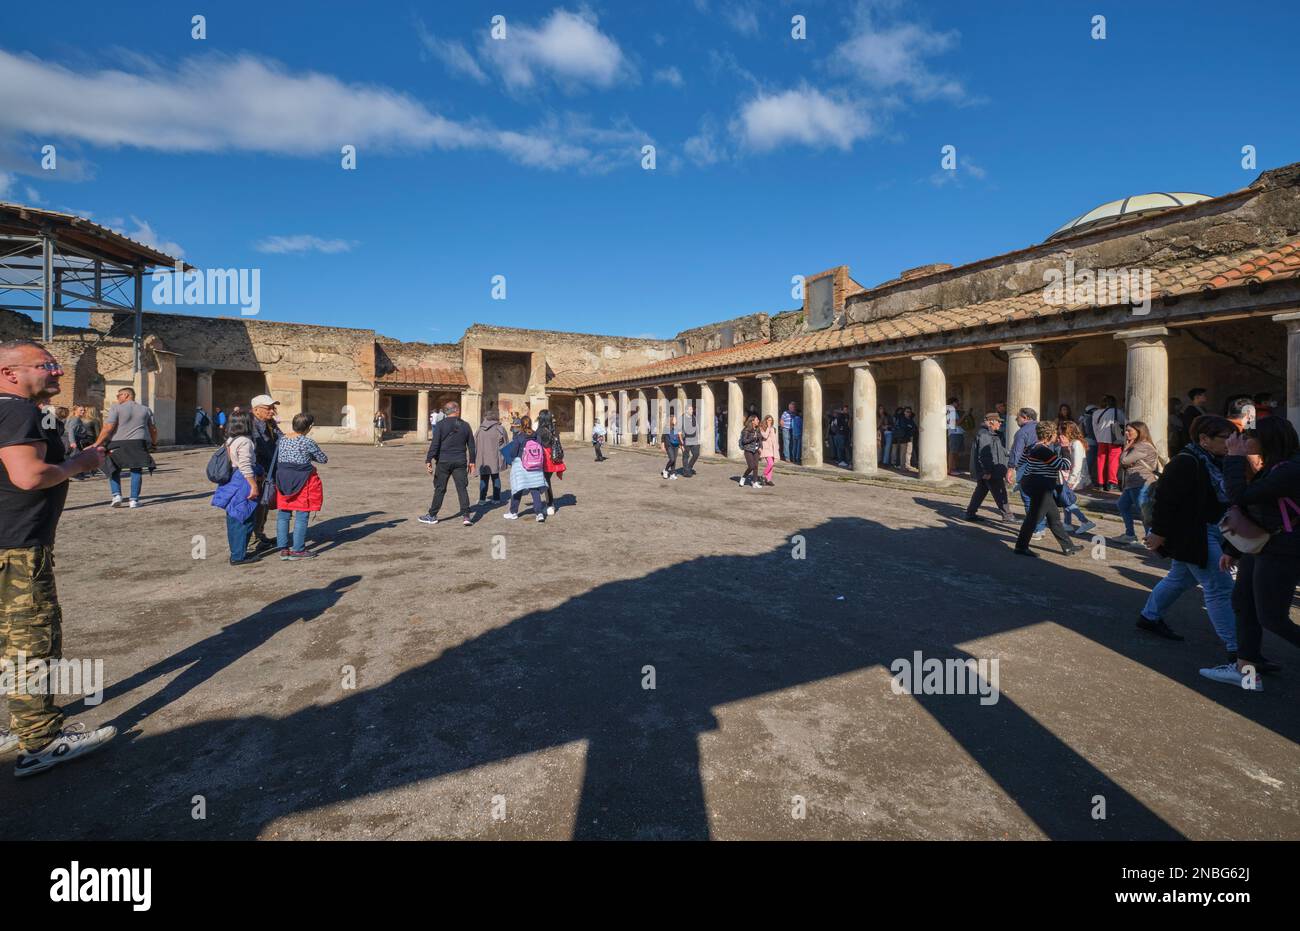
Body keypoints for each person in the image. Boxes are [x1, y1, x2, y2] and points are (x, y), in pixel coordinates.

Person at [0, 339, 115, 776]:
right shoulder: (17, 410)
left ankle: (20, 724)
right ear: (11, 372)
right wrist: (77, 465)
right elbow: (28, 476)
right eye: (46, 365)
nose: (58, 373)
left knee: (5, 643)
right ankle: (41, 742)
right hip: (17, 547)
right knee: (31, 643)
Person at [1203, 417, 1300, 688]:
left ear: (1266, 440)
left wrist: (1234, 457)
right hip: (1263, 546)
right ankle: (1247, 669)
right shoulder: (1276, 466)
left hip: (1283, 551)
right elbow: (1254, 512)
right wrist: (1234, 550)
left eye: (1248, 437)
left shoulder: (1290, 469)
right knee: (1243, 603)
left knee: (1272, 617)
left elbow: (1239, 497)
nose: (1242, 441)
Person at [1135, 414, 1238, 650]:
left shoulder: (1219, 460)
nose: (1232, 442)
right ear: (1204, 439)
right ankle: (1239, 651)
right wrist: (1158, 533)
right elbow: (1165, 501)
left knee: (1179, 578)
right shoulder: (1186, 462)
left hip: (1212, 530)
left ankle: (1149, 617)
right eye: (1226, 438)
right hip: (1193, 534)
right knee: (1220, 588)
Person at [1013, 421, 1080, 557]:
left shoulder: (1034, 447)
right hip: (1040, 489)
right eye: (1055, 433)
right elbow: (1064, 465)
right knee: (1033, 518)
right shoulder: (1042, 450)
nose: (1057, 436)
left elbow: (1021, 462)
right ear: (1049, 435)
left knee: (1054, 518)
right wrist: (1066, 447)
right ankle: (1021, 546)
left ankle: (1068, 547)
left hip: (1039, 487)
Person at [274, 412, 327, 560]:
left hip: (283, 479)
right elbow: (323, 459)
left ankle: (283, 549)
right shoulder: (307, 442)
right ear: (309, 427)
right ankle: (297, 549)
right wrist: (310, 456)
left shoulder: (281, 440)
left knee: (283, 514)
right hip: (303, 480)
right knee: (302, 514)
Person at [93, 386, 157, 510]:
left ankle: (116, 496)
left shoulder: (116, 408)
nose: (117, 398)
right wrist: (154, 444)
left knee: (113, 468)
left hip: (117, 442)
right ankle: (134, 500)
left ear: (126, 395)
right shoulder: (146, 409)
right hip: (137, 443)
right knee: (136, 469)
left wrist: (97, 443)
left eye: (119, 395)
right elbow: (153, 429)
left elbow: (108, 427)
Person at [212, 412, 262, 566]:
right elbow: (245, 465)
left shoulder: (230, 440)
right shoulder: (245, 442)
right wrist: (253, 485)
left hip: (232, 481)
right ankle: (239, 556)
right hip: (242, 481)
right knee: (244, 519)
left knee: (233, 519)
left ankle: (236, 552)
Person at [420, 401, 475, 527]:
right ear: (457, 410)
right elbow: (471, 445)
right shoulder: (465, 425)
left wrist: (428, 460)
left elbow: (435, 444)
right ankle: (466, 516)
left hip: (443, 461)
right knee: (462, 488)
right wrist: (472, 461)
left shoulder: (440, 425)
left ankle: (432, 515)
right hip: (460, 461)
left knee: (440, 489)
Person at [248, 394, 282, 553]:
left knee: (265, 504)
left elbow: (280, 440)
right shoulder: (251, 425)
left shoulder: (270, 423)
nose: (272, 411)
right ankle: (253, 540)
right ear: (256, 410)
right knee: (256, 505)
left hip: (269, 470)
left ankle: (259, 534)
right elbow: (255, 450)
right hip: (258, 472)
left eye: (273, 408)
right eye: (268, 408)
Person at [1116, 421, 1159, 544]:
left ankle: (1149, 538)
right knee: (1122, 505)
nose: (1126, 433)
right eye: (1126, 430)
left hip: (1142, 482)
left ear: (1139, 432)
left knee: (1144, 511)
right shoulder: (1138, 445)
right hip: (1133, 482)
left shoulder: (1143, 446)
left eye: (1129, 430)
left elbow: (1124, 461)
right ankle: (1130, 534)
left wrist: (1126, 448)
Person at [964, 411, 1011, 522]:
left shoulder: (992, 434)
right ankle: (1008, 515)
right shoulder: (985, 434)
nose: (1000, 423)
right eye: (998, 421)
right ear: (991, 422)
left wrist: (1011, 454)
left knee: (980, 492)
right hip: (991, 470)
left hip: (990, 470)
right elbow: (984, 455)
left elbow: (999, 450)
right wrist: (987, 471)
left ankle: (970, 513)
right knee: (1000, 492)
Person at [501, 416, 547, 521]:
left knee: (518, 488)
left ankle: (513, 512)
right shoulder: (536, 435)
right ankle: (539, 513)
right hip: (535, 465)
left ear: (521, 424)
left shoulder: (519, 436)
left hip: (522, 465)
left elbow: (513, 452)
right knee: (534, 489)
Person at [1058, 420, 1096, 535]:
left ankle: (1085, 521)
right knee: (1065, 498)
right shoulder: (1070, 442)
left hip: (1072, 477)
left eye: (1061, 429)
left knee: (1066, 500)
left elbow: (1077, 464)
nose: (1059, 432)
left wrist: (1071, 480)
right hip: (1066, 476)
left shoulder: (1076, 444)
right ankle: (1067, 523)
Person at [1091, 395, 1126, 491]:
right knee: (1113, 461)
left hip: (1101, 439)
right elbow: (1125, 422)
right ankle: (1112, 483)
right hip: (1114, 439)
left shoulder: (1096, 413)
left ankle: (1101, 483)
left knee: (1101, 461)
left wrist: (1098, 438)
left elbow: (1094, 427)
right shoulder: (1117, 412)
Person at [535, 408, 566, 515]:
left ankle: (549, 505)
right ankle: (549, 504)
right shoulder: (554, 430)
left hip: (544, 459)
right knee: (546, 481)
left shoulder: (540, 431)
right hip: (553, 459)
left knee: (544, 482)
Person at [475, 409, 508, 506]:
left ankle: (482, 499)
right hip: (495, 457)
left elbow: (475, 443)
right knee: (496, 477)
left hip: (483, 458)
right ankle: (496, 498)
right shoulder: (500, 429)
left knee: (483, 478)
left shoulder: (479, 429)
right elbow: (505, 444)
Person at [738, 414, 763, 488]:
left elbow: (760, 439)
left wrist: (760, 447)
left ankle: (754, 482)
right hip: (748, 450)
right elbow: (744, 441)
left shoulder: (758, 429)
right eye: (757, 420)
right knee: (751, 466)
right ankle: (743, 477)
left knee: (756, 466)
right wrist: (753, 438)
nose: (758, 421)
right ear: (752, 421)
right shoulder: (746, 430)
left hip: (756, 450)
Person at [1078, 403, 1099, 488]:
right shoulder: (1089, 418)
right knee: (1089, 464)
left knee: (1087, 463)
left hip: (1086, 441)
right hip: (1092, 442)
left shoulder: (1083, 418)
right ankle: (1087, 482)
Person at [680, 403, 702, 477]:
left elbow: (697, 427)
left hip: (694, 439)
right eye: (690, 409)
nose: (692, 410)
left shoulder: (694, 417)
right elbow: (679, 430)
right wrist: (681, 441)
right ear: (686, 410)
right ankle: (686, 472)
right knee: (686, 456)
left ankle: (689, 467)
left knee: (696, 454)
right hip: (685, 439)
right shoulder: (682, 418)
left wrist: (698, 438)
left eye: (692, 409)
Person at [945, 397, 964, 474]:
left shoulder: (952, 411)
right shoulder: (951, 411)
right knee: (953, 452)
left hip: (957, 433)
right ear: (953, 403)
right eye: (957, 402)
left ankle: (954, 468)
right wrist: (964, 416)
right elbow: (956, 423)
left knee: (955, 452)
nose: (958, 404)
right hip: (954, 433)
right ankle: (950, 470)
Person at [759, 414, 780, 486]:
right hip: (766, 448)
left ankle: (768, 479)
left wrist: (777, 446)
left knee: (771, 465)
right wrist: (768, 427)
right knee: (770, 463)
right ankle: (763, 475)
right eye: (768, 420)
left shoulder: (773, 428)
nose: (770, 422)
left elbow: (774, 439)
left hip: (773, 448)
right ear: (766, 420)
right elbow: (765, 436)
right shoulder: (762, 427)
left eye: (771, 420)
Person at [660, 414, 681, 480]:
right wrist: (662, 445)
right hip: (669, 445)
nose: (676, 420)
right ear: (671, 420)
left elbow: (679, 437)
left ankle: (672, 474)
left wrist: (681, 444)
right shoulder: (666, 427)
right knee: (672, 459)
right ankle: (665, 470)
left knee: (674, 460)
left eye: (676, 419)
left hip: (676, 445)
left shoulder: (677, 427)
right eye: (674, 419)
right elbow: (663, 437)